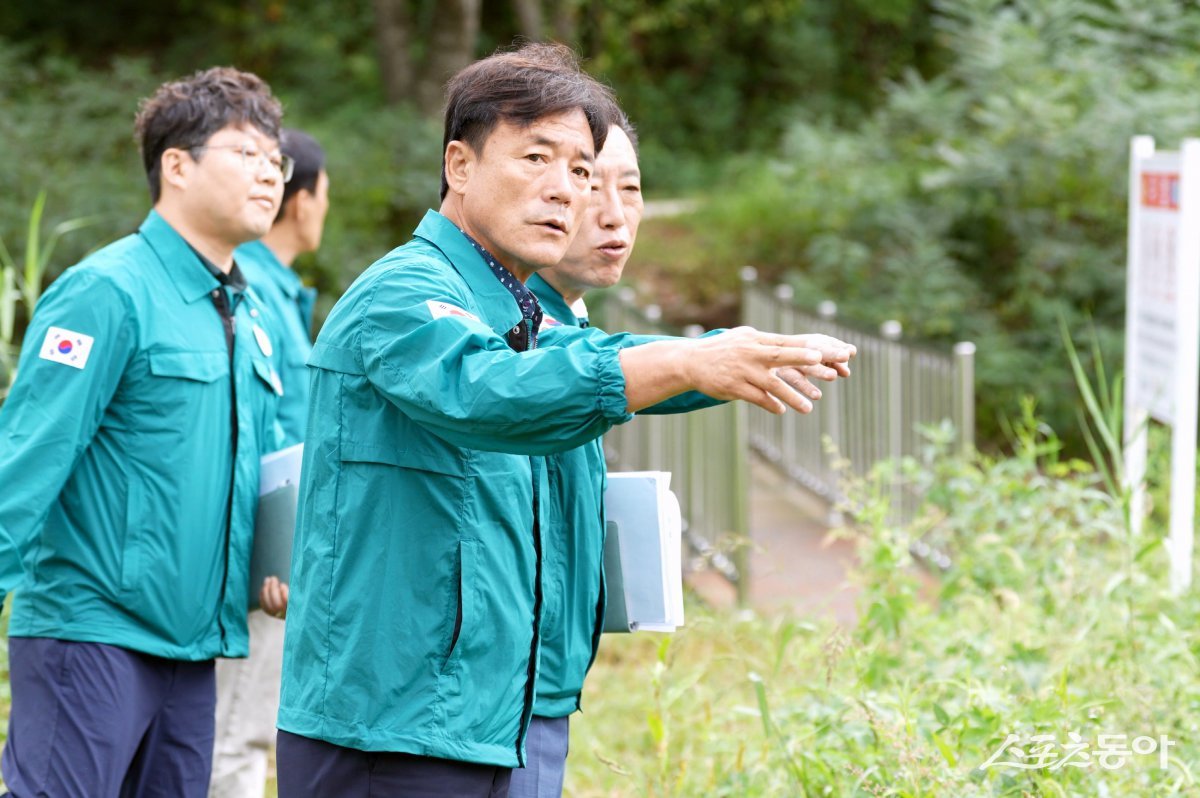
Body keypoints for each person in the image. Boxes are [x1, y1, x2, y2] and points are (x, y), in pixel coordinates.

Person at [276, 42, 854, 797]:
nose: (566, 191)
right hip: (393, 729)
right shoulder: (406, 293)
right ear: (459, 165)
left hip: (489, 714)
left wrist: (722, 357)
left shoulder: (513, 305)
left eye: (580, 170)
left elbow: (590, 358)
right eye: (536, 159)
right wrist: (687, 362)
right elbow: (492, 389)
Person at [513, 116, 850, 797]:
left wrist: (720, 358)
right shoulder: (512, 324)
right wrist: (701, 360)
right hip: (496, 690)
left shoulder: (566, 318)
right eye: (585, 181)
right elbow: (591, 367)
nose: (613, 214)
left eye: (630, 188)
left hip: (540, 680)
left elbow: (609, 358)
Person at [0, 66, 290, 796]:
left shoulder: (247, 313)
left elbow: (245, 472)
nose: (268, 176)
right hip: (92, 635)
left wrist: (273, 564)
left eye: (275, 160)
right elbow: (26, 459)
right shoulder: (108, 291)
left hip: (193, 651)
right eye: (245, 154)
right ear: (177, 166)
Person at [209, 128, 329, 798]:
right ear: (302, 199)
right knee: (237, 736)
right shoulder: (253, 291)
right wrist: (273, 557)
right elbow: (265, 437)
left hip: (271, 554)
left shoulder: (275, 293)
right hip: (263, 560)